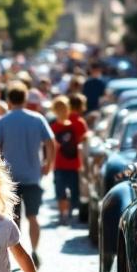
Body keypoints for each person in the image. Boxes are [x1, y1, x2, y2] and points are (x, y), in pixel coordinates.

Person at [0, 83, 55, 267]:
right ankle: (34, 251)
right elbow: (51, 143)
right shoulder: (37, 118)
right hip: (33, 175)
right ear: (25, 99)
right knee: (33, 216)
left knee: (12, 219)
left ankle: (16, 255)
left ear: (9, 100)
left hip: (9, 178)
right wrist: (48, 164)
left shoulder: (2, 121)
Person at [48, 95, 86, 226]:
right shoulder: (53, 127)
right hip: (59, 164)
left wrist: (82, 162)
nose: (62, 111)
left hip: (74, 164)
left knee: (74, 191)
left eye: (64, 108)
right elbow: (50, 145)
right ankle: (63, 214)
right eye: (58, 109)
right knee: (60, 191)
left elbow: (83, 142)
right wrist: (49, 161)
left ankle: (69, 210)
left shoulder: (77, 123)